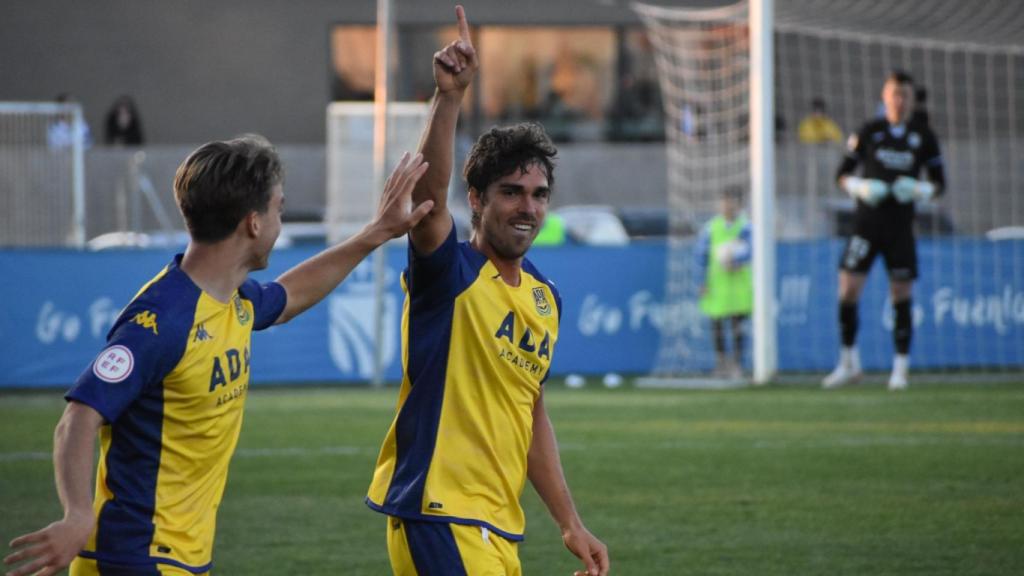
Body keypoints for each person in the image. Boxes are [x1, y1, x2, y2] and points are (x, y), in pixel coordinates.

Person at [3, 135, 433, 575]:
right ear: (253, 223)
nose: (280, 224)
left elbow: (290, 294)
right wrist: (77, 514)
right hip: (133, 558)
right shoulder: (164, 319)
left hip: (177, 558)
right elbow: (79, 416)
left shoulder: (234, 300)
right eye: (278, 210)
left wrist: (377, 232)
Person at [365, 6, 609, 576]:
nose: (528, 208)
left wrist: (571, 522)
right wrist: (449, 97)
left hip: (499, 528)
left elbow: (531, 412)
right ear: (476, 199)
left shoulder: (544, 299)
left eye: (540, 194)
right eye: (511, 192)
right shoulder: (448, 272)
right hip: (437, 515)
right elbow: (426, 199)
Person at [823, 70, 945, 390]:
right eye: (894, 94)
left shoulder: (924, 135)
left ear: (911, 99)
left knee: (900, 293)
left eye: (905, 95)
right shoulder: (870, 131)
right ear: (884, 96)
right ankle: (848, 363)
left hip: (900, 227)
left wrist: (919, 190)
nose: (899, 100)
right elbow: (842, 174)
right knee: (848, 289)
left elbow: (939, 183)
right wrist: (860, 187)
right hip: (865, 225)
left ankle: (900, 370)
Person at [695, 186, 752, 379]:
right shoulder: (711, 227)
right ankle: (721, 363)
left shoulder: (746, 227)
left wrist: (738, 260)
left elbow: (752, 250)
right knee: (717, 327)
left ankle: (737, 365)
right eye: (724, 201)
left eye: (731, 201)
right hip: (717, 286)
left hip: (739, 286)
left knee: (738, 327)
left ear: (739, 204)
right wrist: (701, 281)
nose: (727, 205)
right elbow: (701, 255)